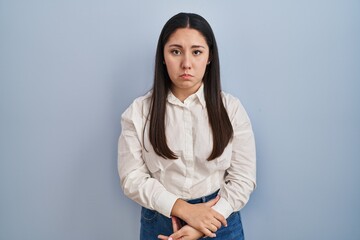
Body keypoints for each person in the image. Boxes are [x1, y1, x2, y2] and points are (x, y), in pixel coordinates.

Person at [118, 12, 256, 240]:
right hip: (161, 221)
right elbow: (132, 177)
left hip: (220, 221)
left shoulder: (231, 109)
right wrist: (185, 210)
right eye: (175, 51)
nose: (186, 64)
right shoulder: (139, 112)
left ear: (209, 56)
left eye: (197, 52)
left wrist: (203, 223)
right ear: (163, 56)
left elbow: (243, 178)